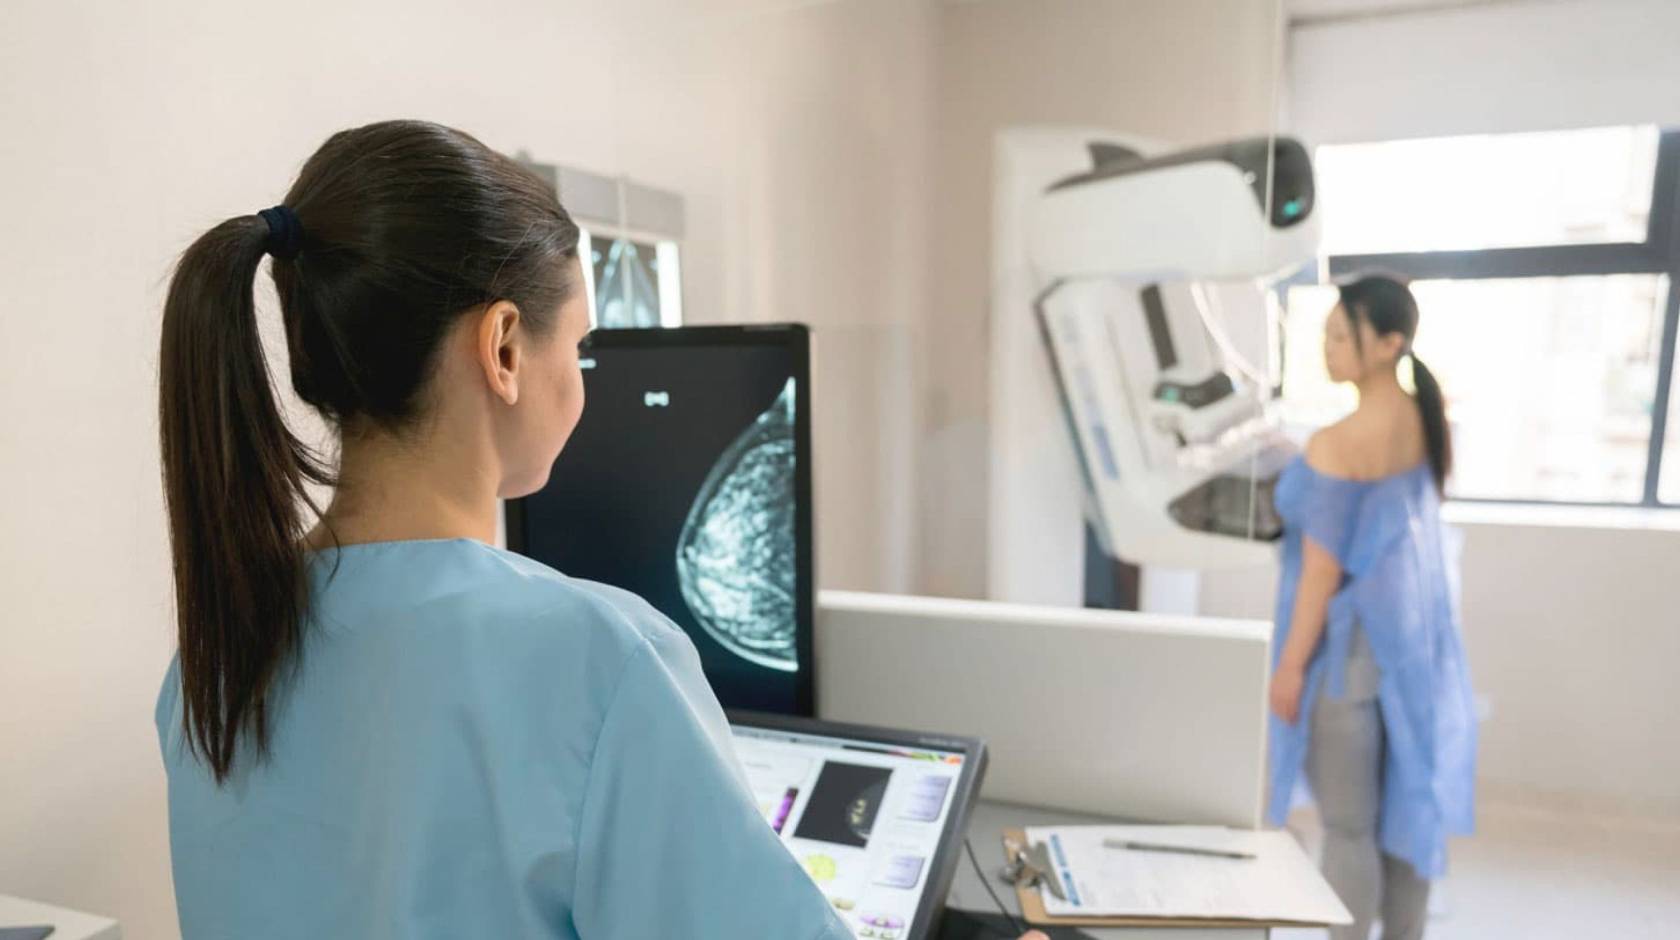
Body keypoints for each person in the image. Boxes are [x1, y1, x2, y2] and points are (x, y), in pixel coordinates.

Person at [155, 119, 1046, 940]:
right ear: (503, 349)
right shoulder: (599, 663)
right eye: (578, 348)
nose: (583, 380)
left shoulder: (214, 658)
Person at [1264, 275, 1477, 940]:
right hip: (1411, 650)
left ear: (1388, 344)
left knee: (1350, 827)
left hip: (1345, 662)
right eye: (1324, 335)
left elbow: (1320, 577)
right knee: (1407, 810)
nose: (1327, 349)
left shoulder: (1338, 442)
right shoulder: (1424, 419)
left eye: (1339, 336)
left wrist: (1290, 667)